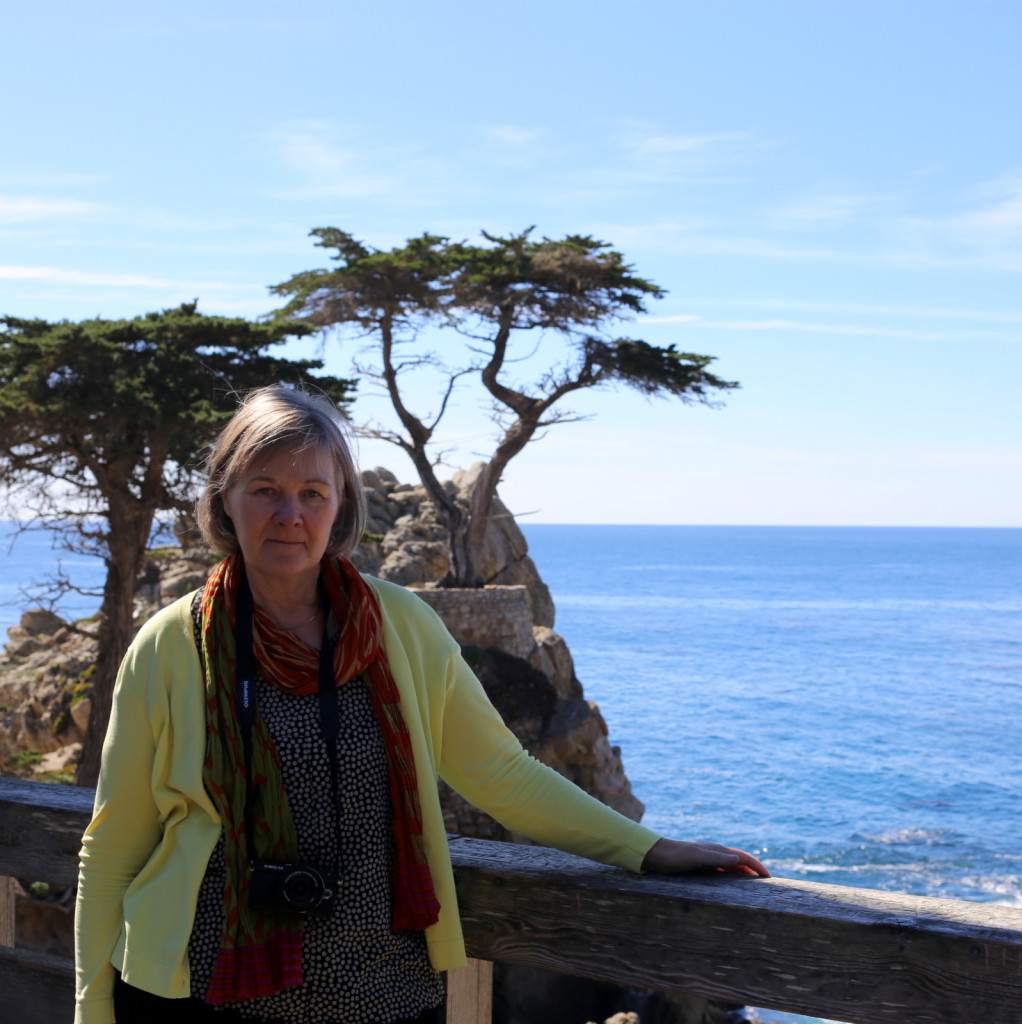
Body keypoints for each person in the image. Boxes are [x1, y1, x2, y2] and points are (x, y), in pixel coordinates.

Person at [74, 384, 768, 1024]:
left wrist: (649, 849)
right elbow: (113, 845)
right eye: (265, 490)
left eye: (313, 492)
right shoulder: (171, 645)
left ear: (342, 505)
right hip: (202, 989)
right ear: (225, 499)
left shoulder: (399, 627)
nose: (290, 515)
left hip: (384, 992)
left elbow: (503, 773)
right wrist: (91, 1010)